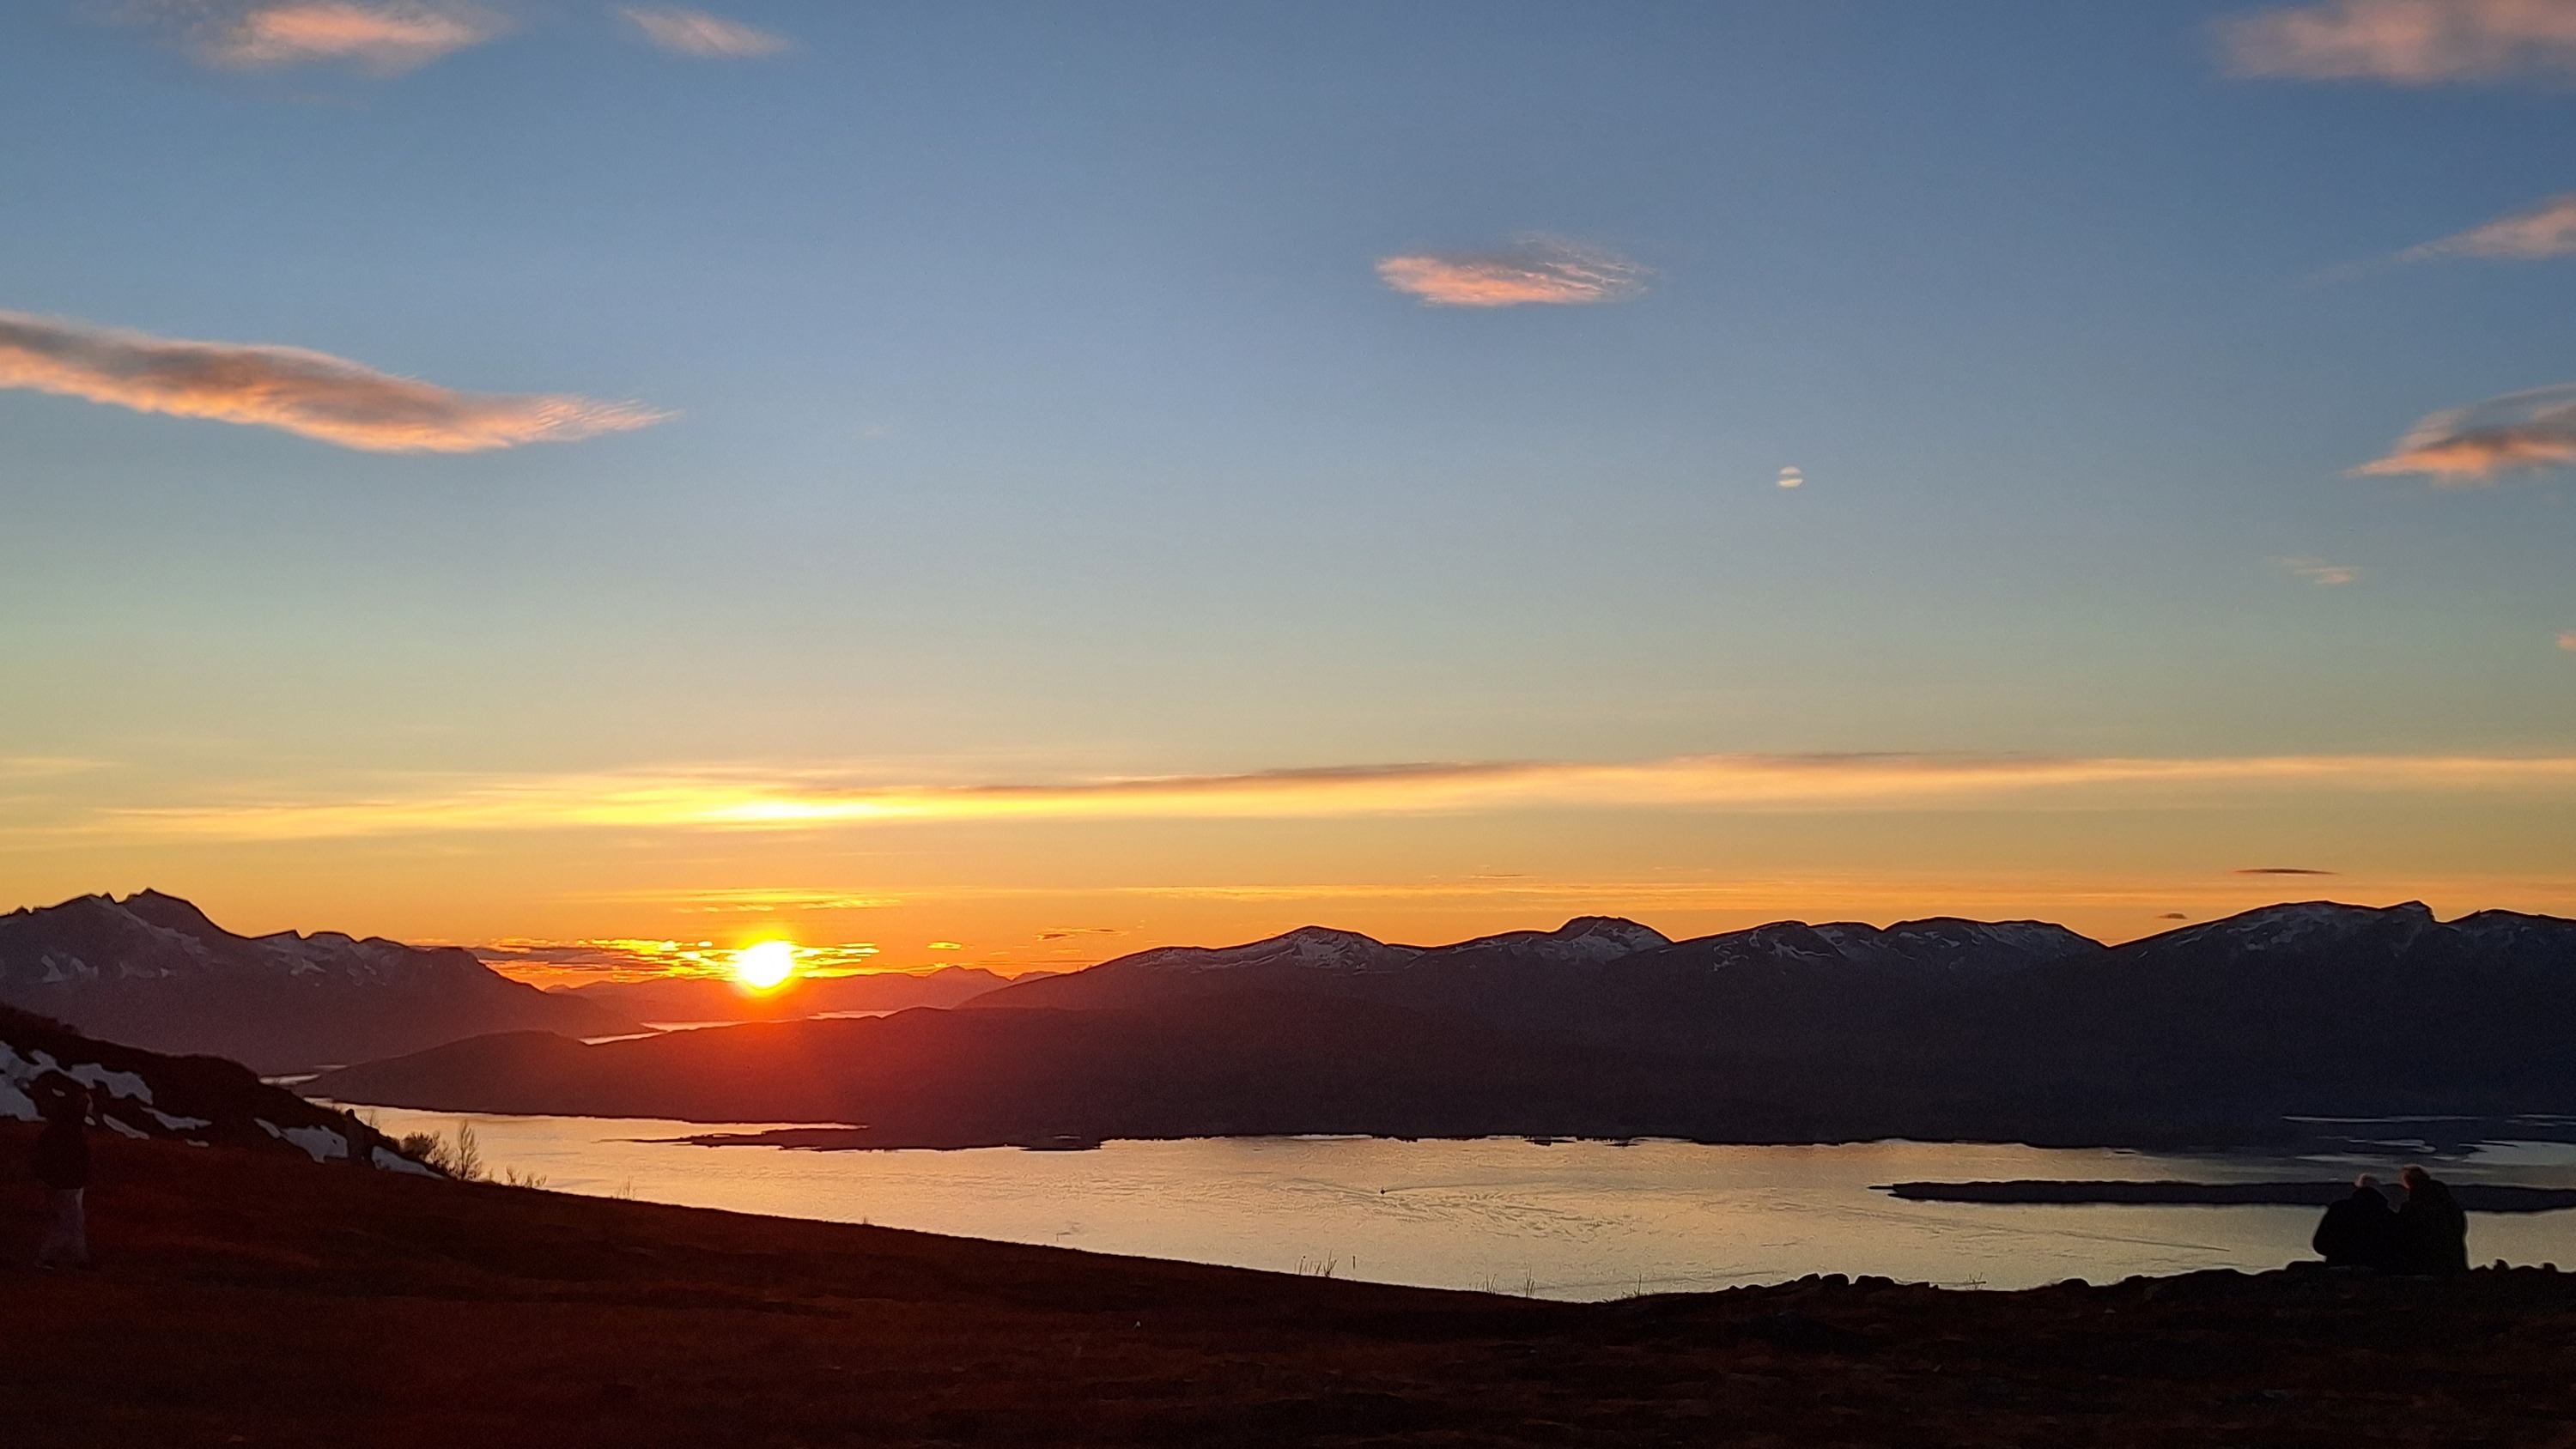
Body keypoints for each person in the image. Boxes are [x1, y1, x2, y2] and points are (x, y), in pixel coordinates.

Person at [32, 1080, 93, 1270]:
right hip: (65, 1183)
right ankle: (47, 1258)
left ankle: (80, 1258)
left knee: (74, 1220)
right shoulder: (69, 1131)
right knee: (69, 1221)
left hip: (68, 1182)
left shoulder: (62, 1129)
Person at [2394, 1165, 2469, 1275]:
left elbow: (2403, 1234)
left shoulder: (2414, 1207)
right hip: (2454, 1262)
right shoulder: (2449, 1205)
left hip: (2426, 1265)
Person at [2312, 1173, 2398, 1269]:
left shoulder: (2339, 1208)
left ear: (2357, 1188)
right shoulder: (2390, 1216)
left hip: (2338, 1270)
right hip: (2375, 1274)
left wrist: (2340, 1252)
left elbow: (2319, 1245)